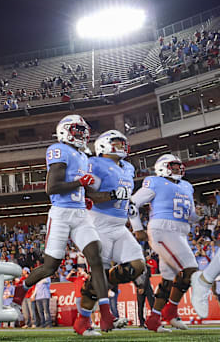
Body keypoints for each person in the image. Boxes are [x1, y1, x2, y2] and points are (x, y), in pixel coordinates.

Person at [12, 114, 113, 335]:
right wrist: (80, 183)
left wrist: (104, 196)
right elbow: (52, 188)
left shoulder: (83, 155)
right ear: (65, 131)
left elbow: (84, 188)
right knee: (50, 267)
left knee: (96, 258)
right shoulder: (59, 150)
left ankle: (101, 313)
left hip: (79, 213)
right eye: (77, 130)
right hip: (60, 214)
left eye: (83, 130)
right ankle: (21, 289)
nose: (82, 134)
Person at [77, 130, 145, 331]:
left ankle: (98, 284)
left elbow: (127, 198)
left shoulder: (128, 168)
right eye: (116, 143)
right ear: (104, 145)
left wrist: (133, 215)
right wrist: (113, 194)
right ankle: (84, 320)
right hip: (98, 224)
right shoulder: (94, 164)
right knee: (101, 274)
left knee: (137, 266)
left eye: (122, 143)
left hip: (119, 224)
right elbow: (87, 195)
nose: (122, 146)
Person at [129, 154, 201, 332]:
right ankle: (171, 310)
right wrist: (138, 228)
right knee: (190, 271)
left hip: (181, 232)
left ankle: (154, 318)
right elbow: (131, 203)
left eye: (178, 166)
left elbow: (191, 215)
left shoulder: (187, 186)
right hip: (162, 230)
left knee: (168, 279)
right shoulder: (155, 182)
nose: (178, 169)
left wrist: (198, 215)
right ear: (163, 167)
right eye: (173, 166)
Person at [190, 243, 220, 318]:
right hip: (201, 276)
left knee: (217, 295)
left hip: (210, 275)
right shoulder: (197, 257)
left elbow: (212, 264)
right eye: (198, 247)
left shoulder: (207, 256)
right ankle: (198, 315)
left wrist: (205, 255)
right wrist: (195, 255)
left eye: (201, 247)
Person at [134, 259, 155, 328]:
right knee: (140, 306)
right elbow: (133, 278)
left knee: (152, 304)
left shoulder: (147, 267)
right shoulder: (134, 269)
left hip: (146, 288)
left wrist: (141, 287)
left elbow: (147, 278)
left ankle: (154, 320)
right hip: (140, 288)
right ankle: (141, 322)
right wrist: (138, 287)